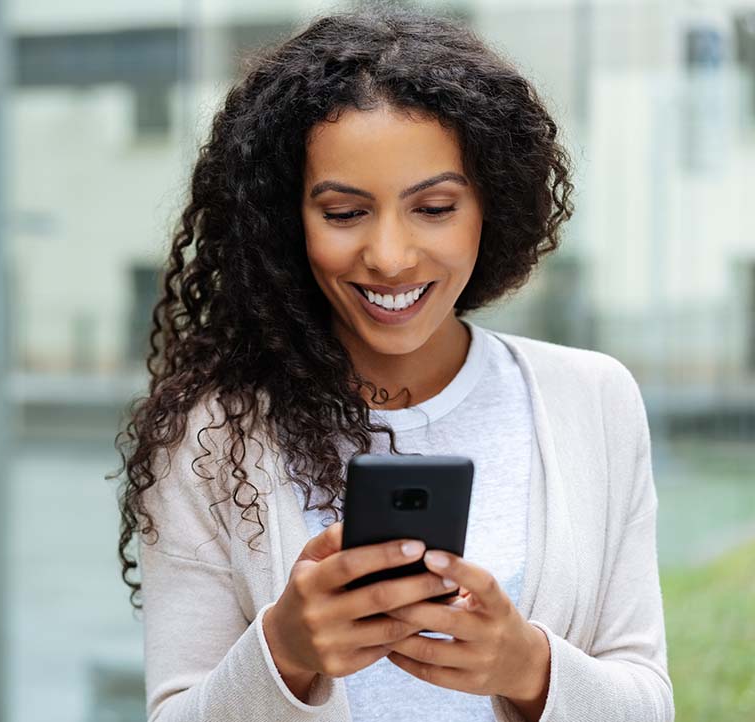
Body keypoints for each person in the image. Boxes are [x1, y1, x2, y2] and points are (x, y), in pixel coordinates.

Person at [112, 7, 673, 722]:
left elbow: (650, 704)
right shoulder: (213, 437)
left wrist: (525, 665)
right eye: (344, 213)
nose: (390, 256)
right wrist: (284, 652)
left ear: (490, 206)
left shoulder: (592, 400)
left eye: (434, 207)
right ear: (287, 221)